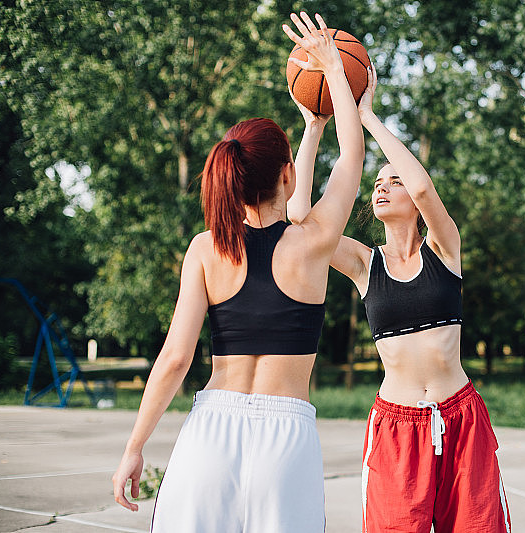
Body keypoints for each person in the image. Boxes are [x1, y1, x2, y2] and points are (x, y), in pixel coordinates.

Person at [112, 12, 365, 532]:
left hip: (211, 431)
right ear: (288, 174)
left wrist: (134, 447)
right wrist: (336, 73)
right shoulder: (314, 243)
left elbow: (175, 358)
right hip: (286, 441)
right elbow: (352, 157)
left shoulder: (206, 249)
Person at [289, 66, 511, 533]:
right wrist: (313, 128)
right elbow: (300, 216)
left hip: (462, 418)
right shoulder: (363, 264)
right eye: (377, 184)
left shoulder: (444, 249)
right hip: (396, 427)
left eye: (394, 181)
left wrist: (367, 116)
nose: (382, 187)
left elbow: (425, 187)